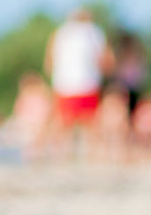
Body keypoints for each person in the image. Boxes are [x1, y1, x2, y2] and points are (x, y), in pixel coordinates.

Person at [44, 8, 113, 137]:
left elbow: (49, 63)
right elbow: (104, 61)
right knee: (90, 125)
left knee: (62, 126)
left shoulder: (60, 33)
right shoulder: (93, 31)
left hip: (64, 86)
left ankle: (58, 154)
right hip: (88, 85)